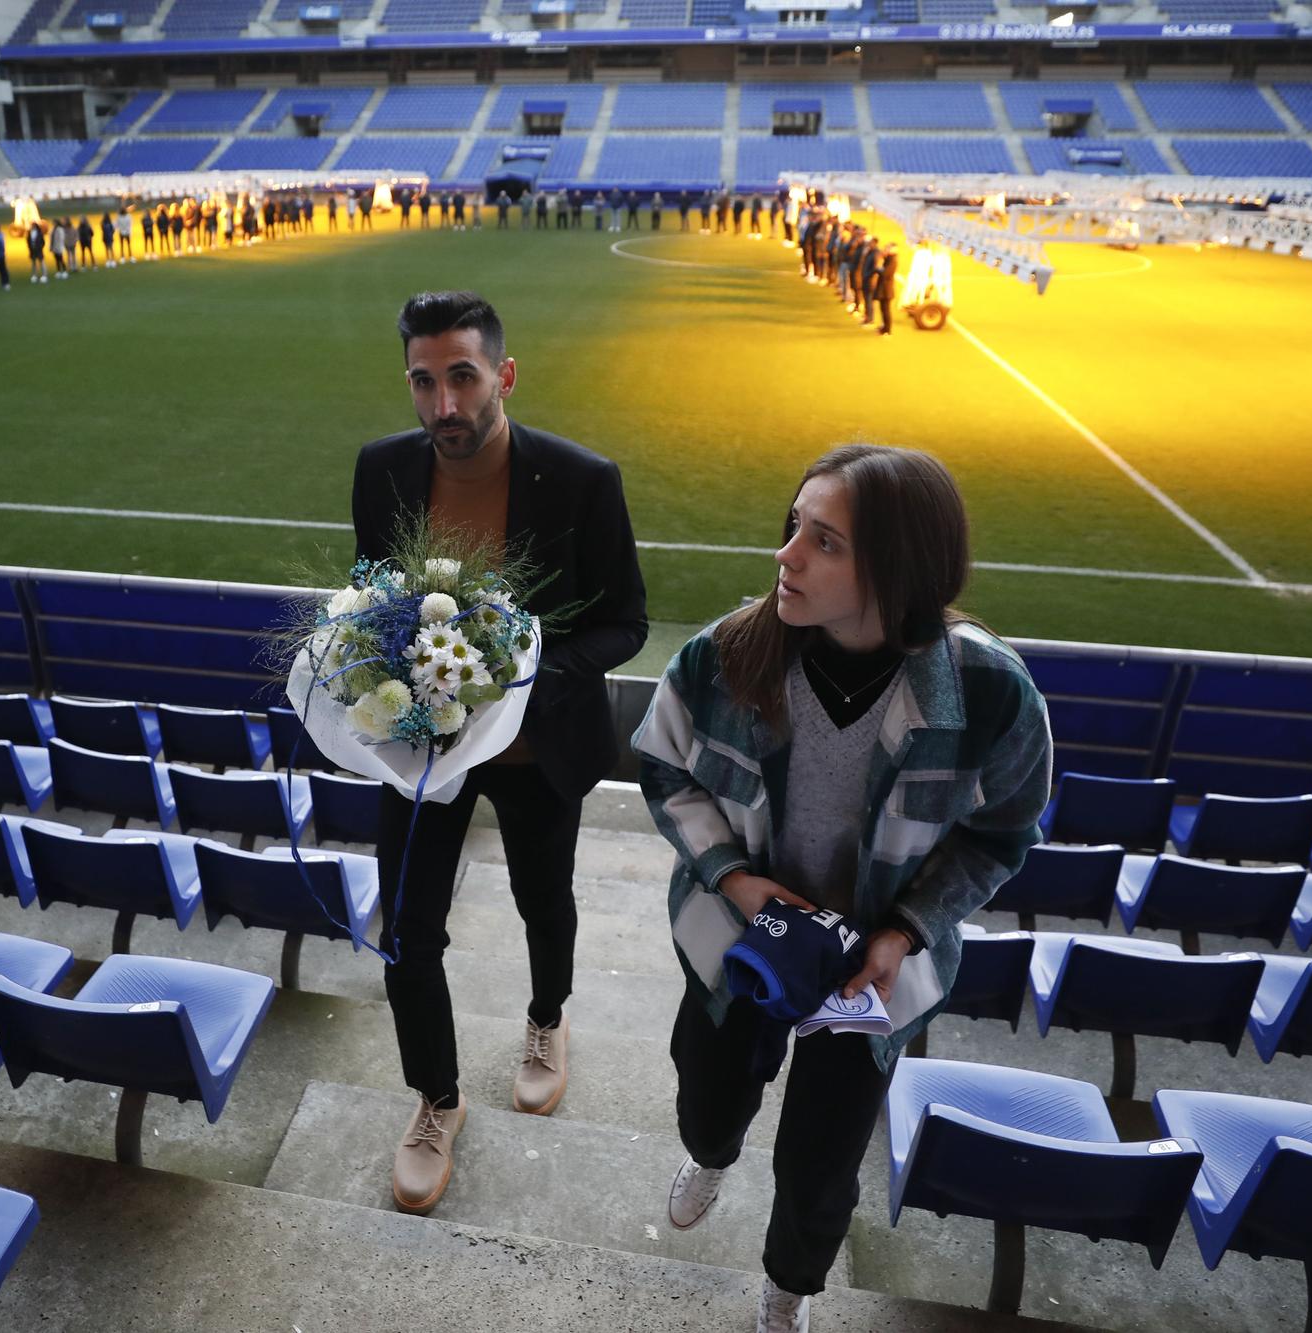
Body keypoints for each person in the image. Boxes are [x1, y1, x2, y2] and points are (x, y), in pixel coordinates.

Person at [632, 444, 1050, 1333]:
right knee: (706, 1098)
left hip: (870, 973)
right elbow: (663, 767)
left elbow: (1002, 833)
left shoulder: (991, 693)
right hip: (739, 941)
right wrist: (738, 880)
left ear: (897, 570)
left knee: (822, 1162)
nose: (785, 555)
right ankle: (711, 1153)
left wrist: (903, 932)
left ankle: (790, 1287)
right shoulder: (724, 654)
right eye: (794, 527)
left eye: (823, 541)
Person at [352, 291, 648, 1217]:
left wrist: (519, 675)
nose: (444, 406)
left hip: (536, 747)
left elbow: (626, 622)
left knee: (540, 898)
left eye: (463, 378)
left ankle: (547, 1018)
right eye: (424, 382)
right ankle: (436, 1099)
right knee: (406, 932)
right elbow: (374, 592)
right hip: (427, 750)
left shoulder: (582, 478)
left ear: (504, 376)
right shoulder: (380, 471)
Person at [873, 242, 897, 336]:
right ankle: (884, 327)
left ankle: (887, 329)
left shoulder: (893, 260)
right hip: (884, 289)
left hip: (887, 290)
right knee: (883, 309)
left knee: (886, 310)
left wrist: (879, 267)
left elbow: (885, 273)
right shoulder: (889, 259)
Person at [26, 218, 46, 283]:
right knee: (33, 263)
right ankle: (34, 275)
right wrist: (30, 247)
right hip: (32, 250)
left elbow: (43, 242)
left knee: (41, 262)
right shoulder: (29, 232)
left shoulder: (39, 233)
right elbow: (28, 241)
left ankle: (44, 275)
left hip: (39, 250)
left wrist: (40, 247)